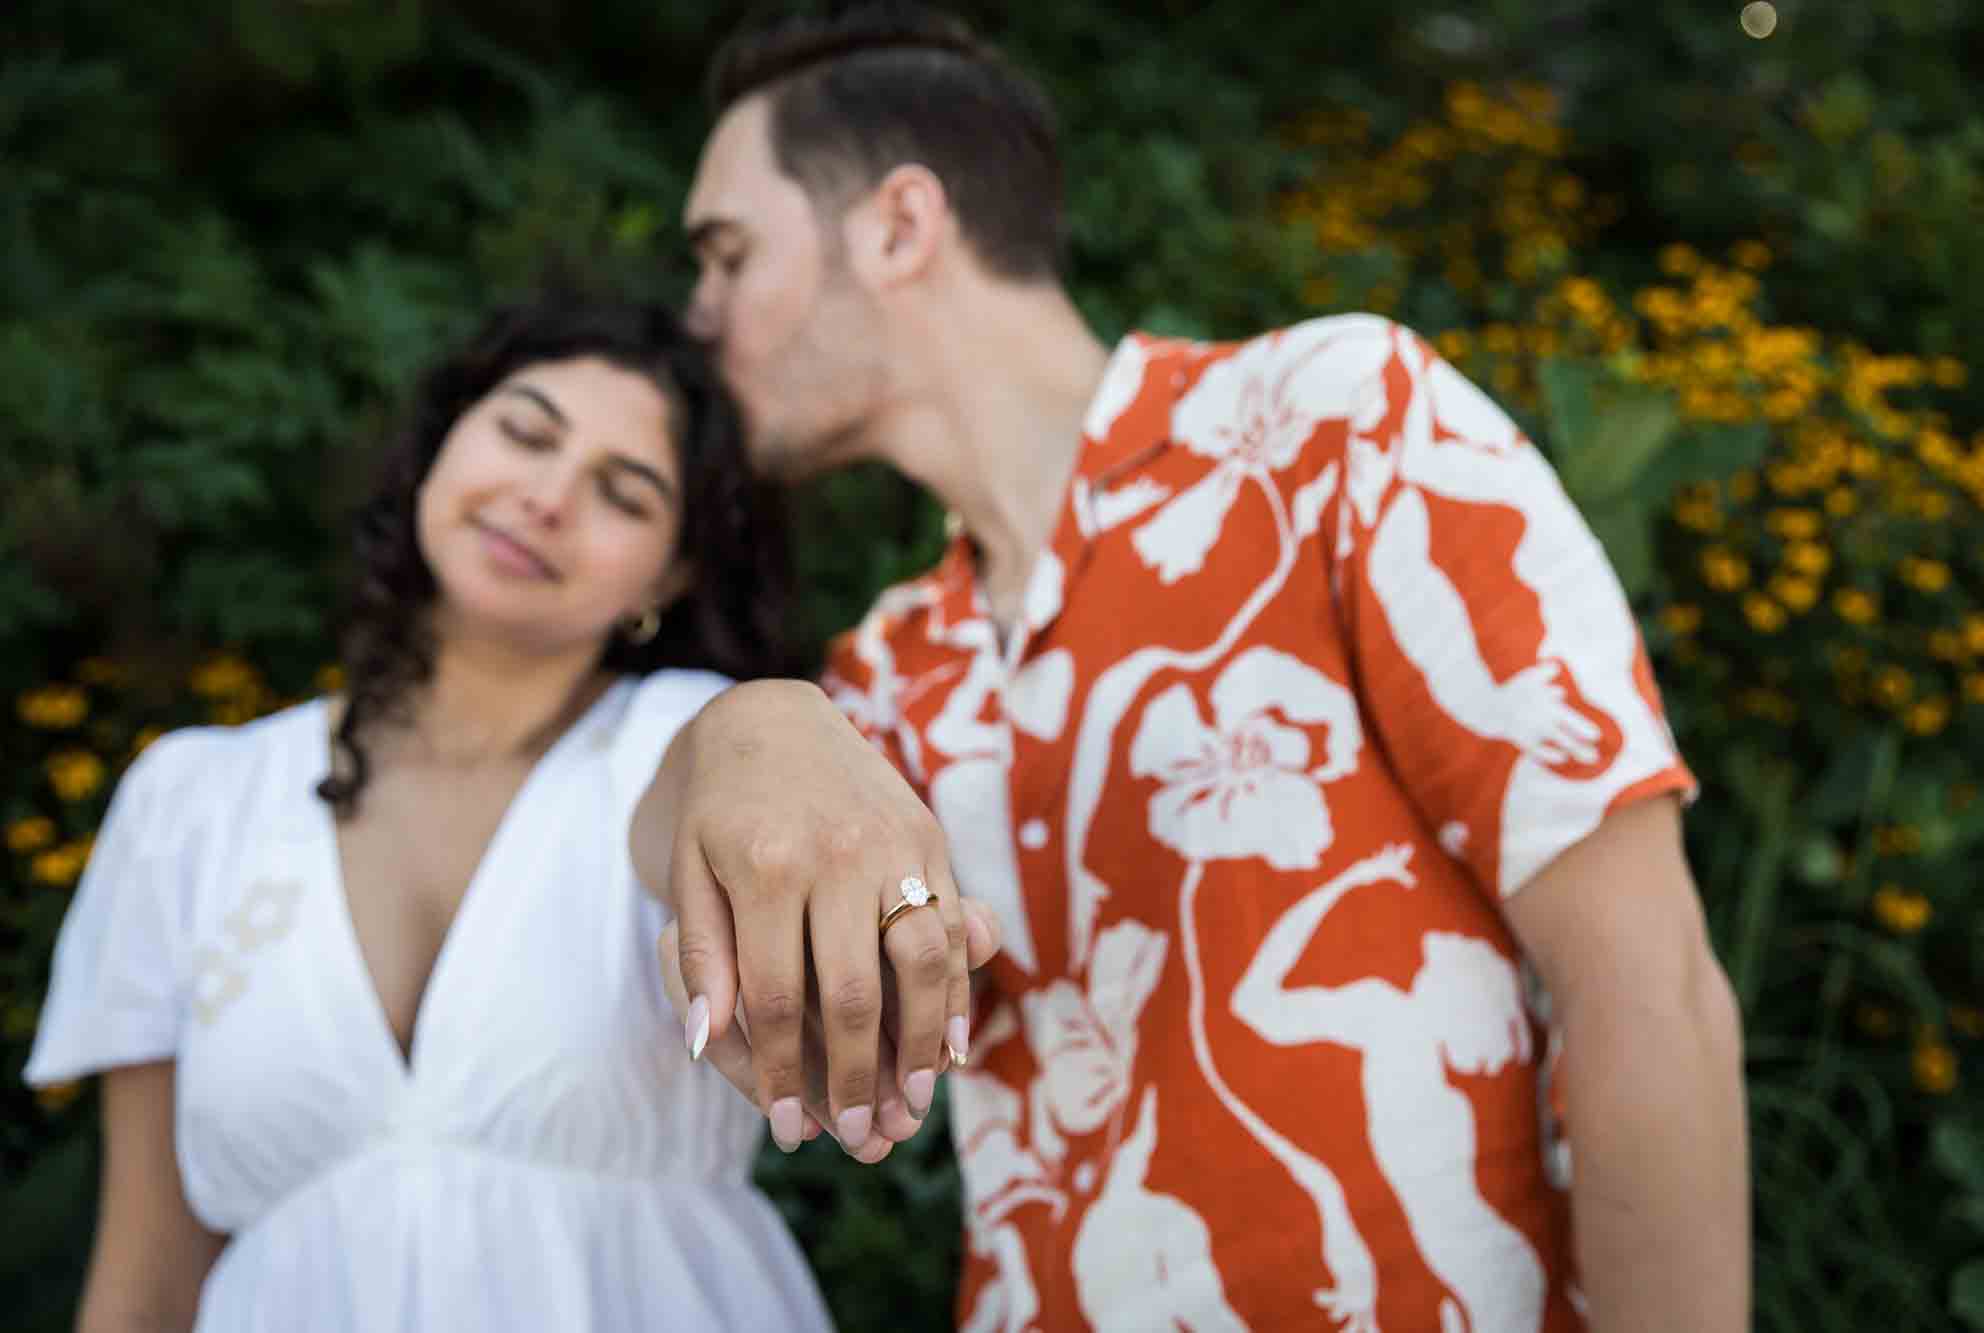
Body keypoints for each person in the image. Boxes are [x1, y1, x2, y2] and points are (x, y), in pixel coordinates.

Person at [633, 5, 1751, 1332]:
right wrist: (745, 732)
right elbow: (724, 927)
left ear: (897, 226)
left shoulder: (1338, 431)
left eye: (727, 252)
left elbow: (1649, 986)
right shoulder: (888, 667)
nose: (698, 317)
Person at [25, 295, 889, 1332]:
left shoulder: (674, 740)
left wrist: (777, 726)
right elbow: (148, 1281)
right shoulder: (190, 802)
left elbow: (732, 780)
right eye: (524, 432)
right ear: (439, 445)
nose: (546, 497)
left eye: (623, 492)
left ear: (669, 572)